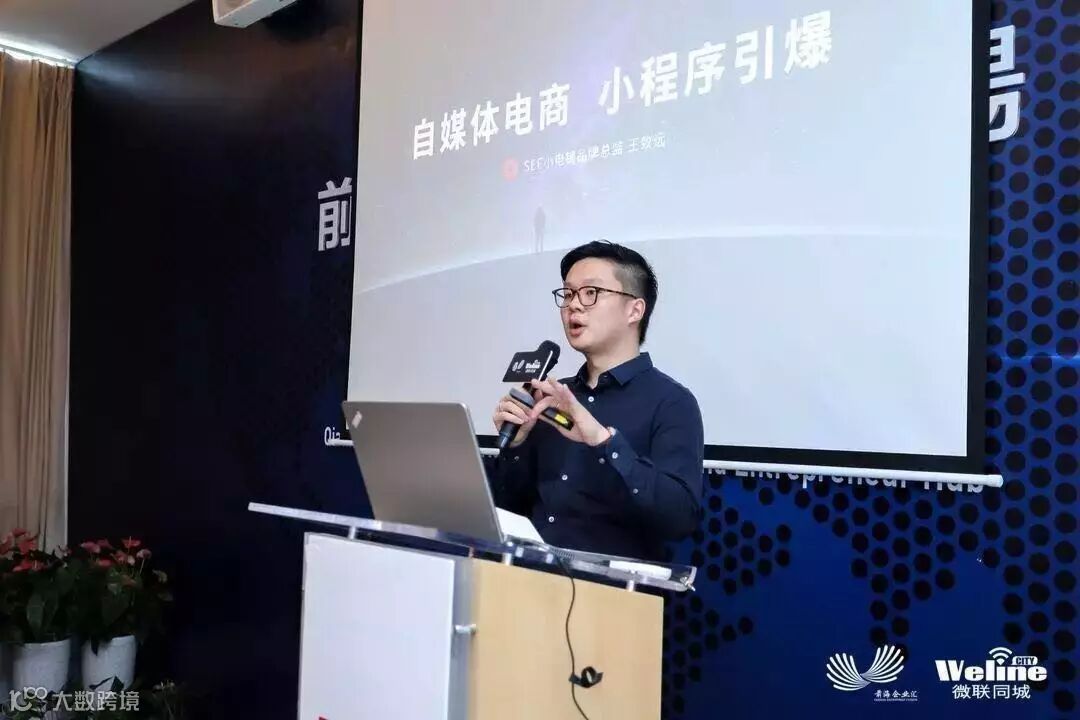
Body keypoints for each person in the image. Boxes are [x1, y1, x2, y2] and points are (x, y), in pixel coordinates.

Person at [490, 240, 704, 561]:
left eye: (591, 292)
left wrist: (605, 442)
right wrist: (515, 448)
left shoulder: (672, 402)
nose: (573, 306)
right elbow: (509, 508)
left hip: (612, 586)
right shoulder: (552, 397)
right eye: (568, 294)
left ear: (635, 310)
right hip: (530, 574)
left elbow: (680, 518)